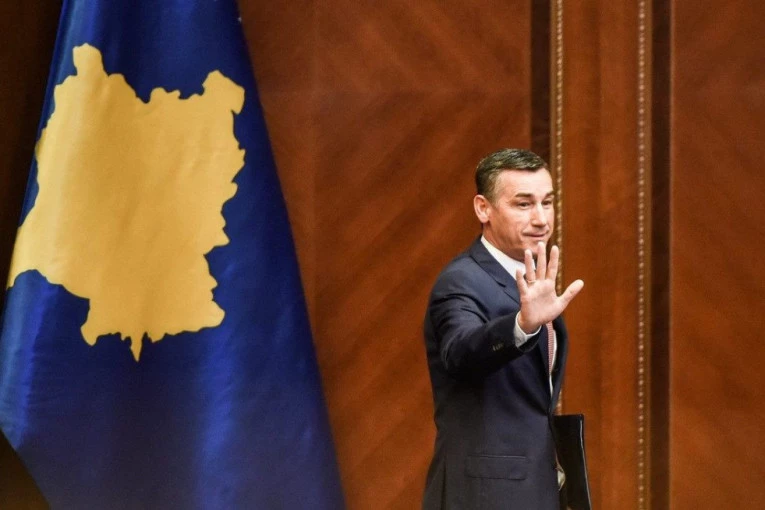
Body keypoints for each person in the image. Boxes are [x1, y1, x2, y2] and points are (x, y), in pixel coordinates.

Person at [422, 148, 584, 510]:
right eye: (523, 204)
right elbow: (460, 352)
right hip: (484, 496)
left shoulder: (529, 279)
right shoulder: (461, 281)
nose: (541, 219)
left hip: (535, 487)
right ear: (484, 209)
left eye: (547, 202)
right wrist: (521, 325)